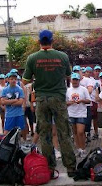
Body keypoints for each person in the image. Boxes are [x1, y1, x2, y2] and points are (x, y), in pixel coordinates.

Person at [22, 29, 76, 177]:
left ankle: (50, 168)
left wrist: (36, 80)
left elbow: (25, 81)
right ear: (52, 41)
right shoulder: (63, 56)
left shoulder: (32, 58)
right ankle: (71, 167)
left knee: (44, 135)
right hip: (58, 98)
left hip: (41, 99)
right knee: (64, 132)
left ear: (39, 42)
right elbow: (68, 77)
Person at [66, 73, 91, 157]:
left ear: (79, 80)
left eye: (77, 80)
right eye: (74, 80)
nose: (75, 81)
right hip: (71, 113)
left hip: (81, 113)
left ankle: (83, 148)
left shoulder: (83, 89)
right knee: (75, 132)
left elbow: (89, 100)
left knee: (80, 132)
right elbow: (65, 102)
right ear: (71, 80)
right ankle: (78, 149)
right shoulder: (68, 90)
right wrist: (70, 102)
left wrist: (82, 101)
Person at [1, 72, 26, 139]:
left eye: (15, 79)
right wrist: (14, 100)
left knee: (21, 129)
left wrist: (8, 102)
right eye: (11, 79)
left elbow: (20, 102)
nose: (13, 80)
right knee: (7, 131)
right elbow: (3, 102)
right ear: (8, 80)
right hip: (10, 114)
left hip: (19, 113)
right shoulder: (5, 90)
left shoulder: (19, 89)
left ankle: (22, 142)